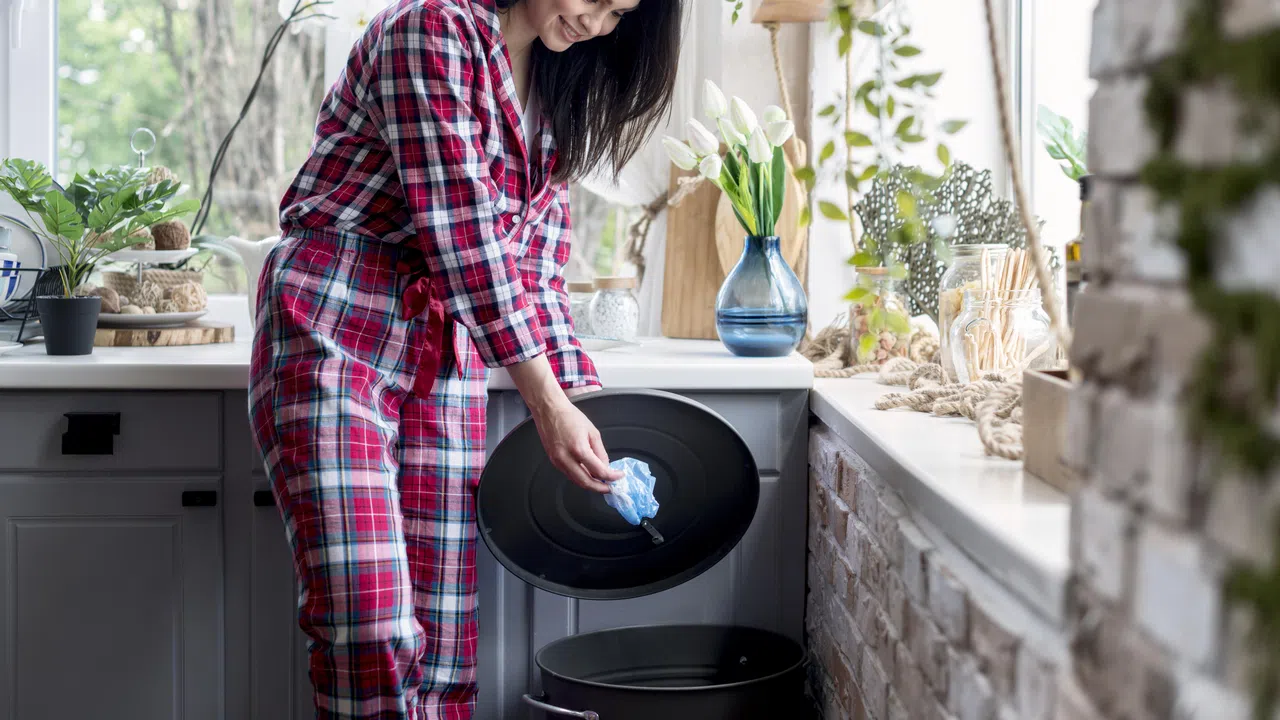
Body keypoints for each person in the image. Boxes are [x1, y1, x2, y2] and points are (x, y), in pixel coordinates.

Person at [247, 0, 682, 717]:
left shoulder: (553, 85)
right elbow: (463, 238)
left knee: (445, 645)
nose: (599, 22)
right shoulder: (430, 30)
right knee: (370, 626)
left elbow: (536, 275)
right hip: (333, 328)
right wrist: (549, 406)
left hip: (445, 352)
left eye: (620, 13)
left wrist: (589, 414)